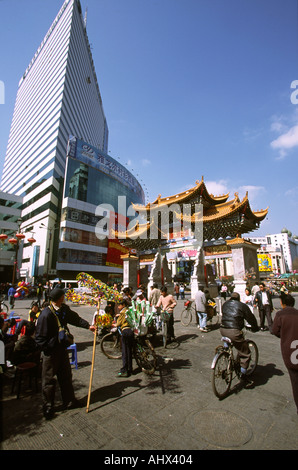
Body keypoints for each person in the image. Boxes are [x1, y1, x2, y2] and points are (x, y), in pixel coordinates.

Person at [35, 288, 94, 420]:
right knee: (48, 380)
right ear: (59, 298)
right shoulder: (45, 314)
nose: (65, 297)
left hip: (62, 349)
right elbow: (39, 339)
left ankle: (69, 400)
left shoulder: (64, 309)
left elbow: (75, 319)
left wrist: (88, 326)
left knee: (66, 376)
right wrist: (49, 347)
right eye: (63, 295)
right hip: (50, 353)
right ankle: (48, 406)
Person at [220, 292, 259, 385]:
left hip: (223, 329)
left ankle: (226, 351)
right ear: (239, 298)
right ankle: (243, 376)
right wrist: (255, 327)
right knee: (245, 353)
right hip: (234, 331)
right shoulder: (242, 306)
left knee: (229, 341)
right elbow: (250, 318)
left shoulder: (225, 304)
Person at [271, 293, 298, 414]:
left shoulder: (280, 314)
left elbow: (275, 330)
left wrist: (285, 334)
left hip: (290, 352)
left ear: (282, 303)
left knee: (295, 380)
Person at [116, 296, 134, 377]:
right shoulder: (129, 310)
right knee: (129, 351)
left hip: (125, 331)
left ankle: (125, 370)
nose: (118, 307)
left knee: (125, 351)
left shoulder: (123, 312)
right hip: (131, 331)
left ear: (123, 305)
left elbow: (118, 324)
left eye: (119, 305)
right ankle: (130, 368)